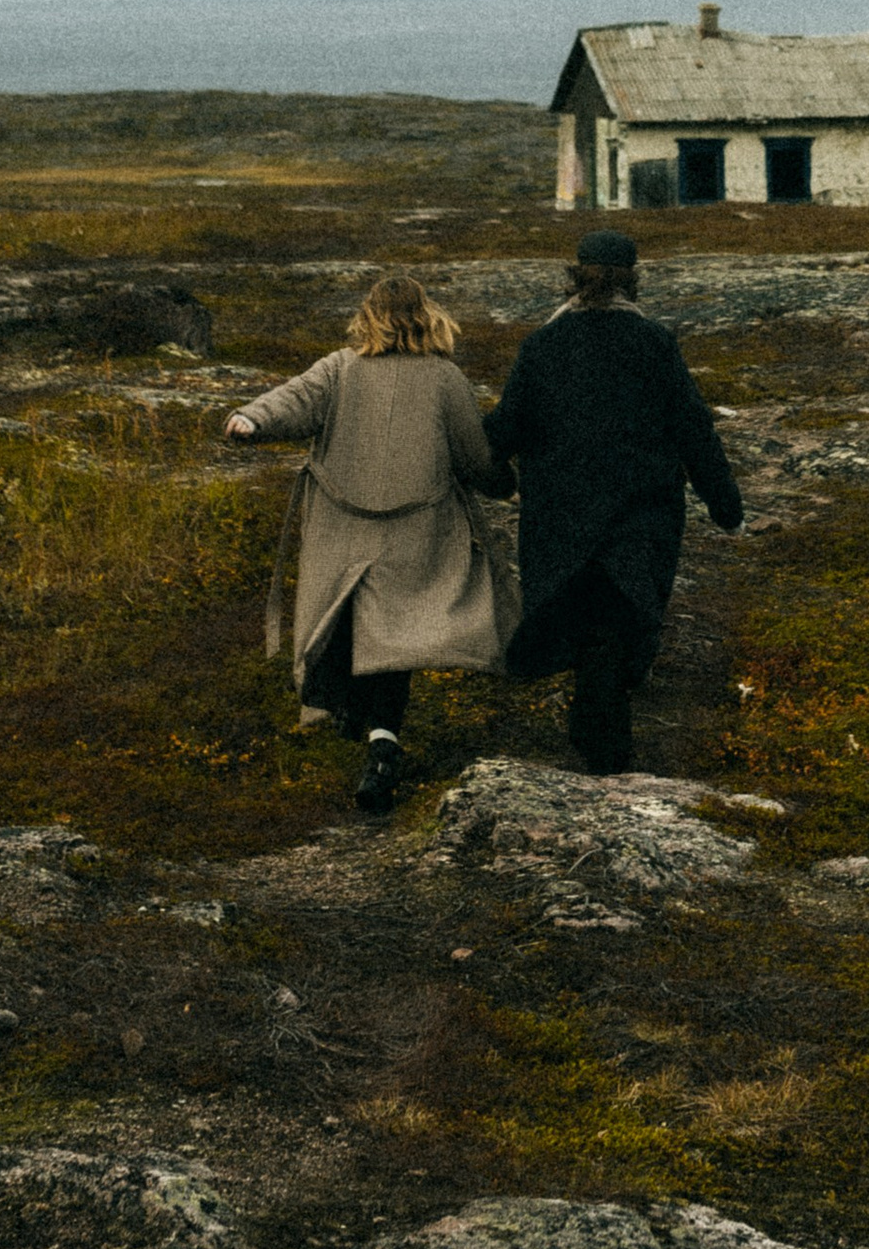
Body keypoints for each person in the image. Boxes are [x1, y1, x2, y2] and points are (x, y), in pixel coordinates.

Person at [224, 272, 514, 814]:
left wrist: (250, 419)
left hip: (342, 526)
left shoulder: (339, 368)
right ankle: (383, 740)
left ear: (368, 315)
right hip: (416, 530)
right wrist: (504, 483)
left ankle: (358, 722)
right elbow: (476, 456)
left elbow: (293, 399)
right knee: (394, 638)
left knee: (347, 619)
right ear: (427, 316)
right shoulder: (444, 378)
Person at [486, 228, 743, 776]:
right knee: (620, 617)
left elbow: (504, 428)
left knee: (582, 619)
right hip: (639, 511)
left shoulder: (542, 346)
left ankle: (597, 730)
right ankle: (607, 740)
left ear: (574, 278)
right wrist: (725, 504)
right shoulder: (654, 344)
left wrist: (490, 475)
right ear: (634, 279)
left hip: (560, 514)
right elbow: (693, 429)